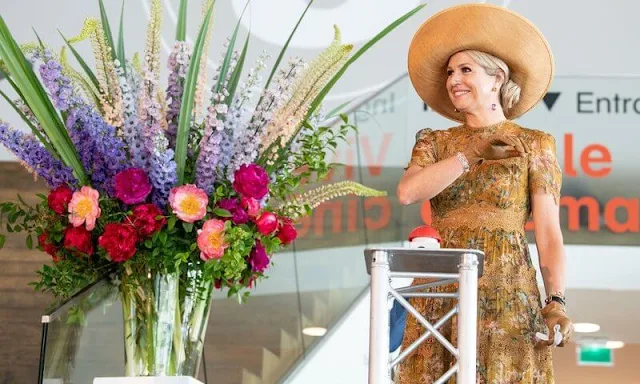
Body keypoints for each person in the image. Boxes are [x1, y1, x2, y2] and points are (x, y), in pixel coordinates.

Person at [394, 4, 572, 383]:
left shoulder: (536, 144)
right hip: (441, 286)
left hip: (508, 285)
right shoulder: (435, 141)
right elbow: (409, 192)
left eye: (465, 70)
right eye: (449, 72)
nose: (453, 80)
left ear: (496, 78)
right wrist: (472, 153)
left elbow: (548, 233)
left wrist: (555, 300)